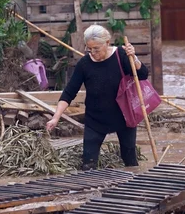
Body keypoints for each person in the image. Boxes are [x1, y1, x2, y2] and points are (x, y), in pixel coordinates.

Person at [46, 24, 148, 170]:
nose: (92, 53)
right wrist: (56, 117)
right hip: (95, 120)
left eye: (96, 49)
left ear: (107, 43)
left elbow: (143, 74)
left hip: (124, 117)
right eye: (89, 49)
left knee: (130, 161)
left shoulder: (121, 55)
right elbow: (69, 92)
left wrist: (134, 58)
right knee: (88, 164)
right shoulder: (84, 64)